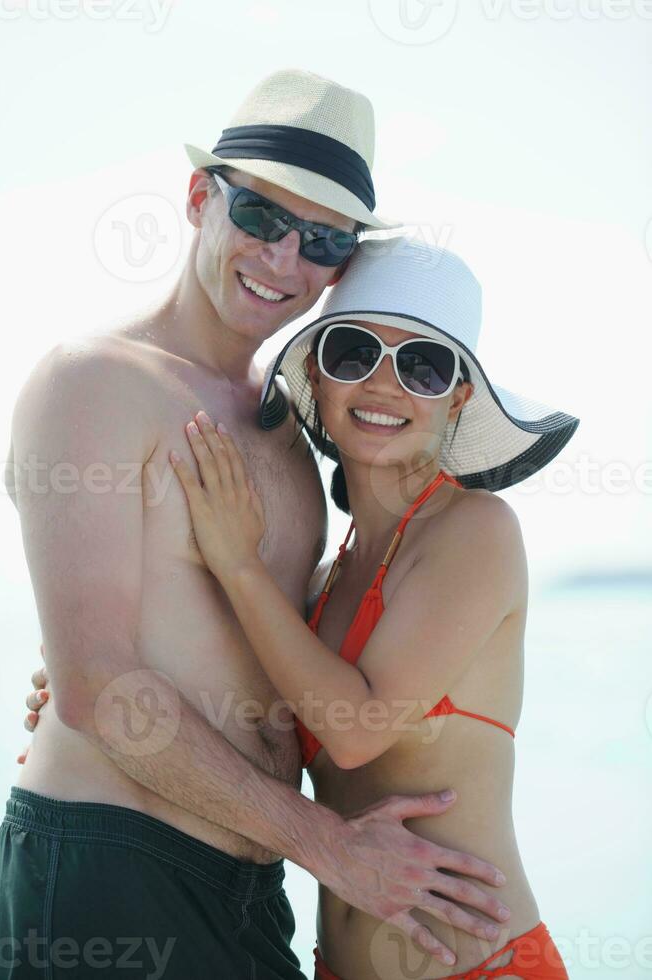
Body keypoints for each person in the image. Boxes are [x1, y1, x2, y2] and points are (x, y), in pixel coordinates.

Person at [0, 71, 511, 979]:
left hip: (253, 888)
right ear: (201, 199)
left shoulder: (285, 435)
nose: (284, 261)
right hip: (118, 873)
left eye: (321, 242)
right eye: (263, 219)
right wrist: (329, 844)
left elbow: (246, 648)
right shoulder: (93, 380)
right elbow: (96, 684)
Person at [164, 238, 578, 978]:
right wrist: (90, 688)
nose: (385, 386)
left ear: (457, 395)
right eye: (354, 353)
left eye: (422, 364)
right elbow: (232, 709)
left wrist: (237, 563)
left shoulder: (476, 531)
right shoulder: (318, 587)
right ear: (319, 378)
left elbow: (355, 732)